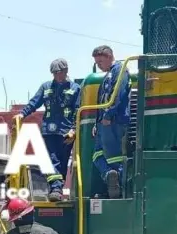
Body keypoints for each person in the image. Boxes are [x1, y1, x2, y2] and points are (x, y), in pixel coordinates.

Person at [13, 58, 82, 202]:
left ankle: (57, 189)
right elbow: (34, 102)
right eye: (54, 73)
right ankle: (55, 188)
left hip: (66, 132)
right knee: (51, 160)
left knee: (62, 162)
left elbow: (78, 111)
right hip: (48, 131)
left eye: (59, 72)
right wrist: (22, 114)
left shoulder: (76, 88)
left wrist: (74, 130)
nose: (56, 76)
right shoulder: (46, 87)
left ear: (65, 71)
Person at [91, 45, 132, 199]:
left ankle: (119, 189)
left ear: (109, 57)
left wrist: (108, 115)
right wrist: (97, 123)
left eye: (100, 61)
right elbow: (100, 100)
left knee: (114, 158)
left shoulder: (120, 71)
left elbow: (118, 94)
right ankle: (109, 176)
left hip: (114, 121)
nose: (99, 65)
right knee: (97, 155)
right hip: (103, 124)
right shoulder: (107, 75)